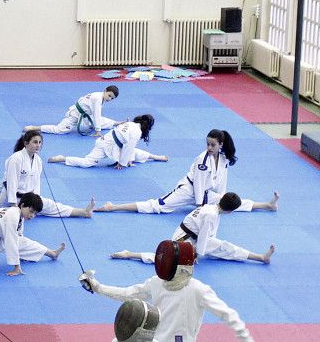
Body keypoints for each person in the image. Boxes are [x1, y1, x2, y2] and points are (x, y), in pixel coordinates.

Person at [80, 240, 254, 341]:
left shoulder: (198, 290)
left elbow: (228, 315)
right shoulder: (157, 283)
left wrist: (246, 339)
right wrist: (97, 286)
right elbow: (127, 294)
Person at [98, 129, 279, 213]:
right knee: (157, 206)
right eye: (207, 143)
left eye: (212, 145)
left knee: (232, 203)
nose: (209, 147)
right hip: (189, 190)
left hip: (206, 193)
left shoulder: (223, 158)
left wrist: (222, 197)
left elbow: (222, 182)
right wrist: (200, 207)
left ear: (220, 145)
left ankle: (267, 205)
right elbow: (199, 184)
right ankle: (113, 207)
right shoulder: (202, 159)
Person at [109, 193, 275, 265]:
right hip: (184, 240)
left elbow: (206, 236)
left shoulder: (213, 207)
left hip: (190, 237)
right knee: (166, 259)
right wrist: (195, 254)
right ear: (230, 211)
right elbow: (203, 238)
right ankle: (129, 254)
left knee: (225, 247)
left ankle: (260, 257)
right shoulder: (211, 214)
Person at [48, 114, 168, 168]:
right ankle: (62, 158)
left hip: (106, 140)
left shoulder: (131, 123)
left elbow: (128, 147)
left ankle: (158, 157)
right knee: (88, 163)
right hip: (110, 144)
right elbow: (128, 148)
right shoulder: (137, 132)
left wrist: (126, 160)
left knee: (135, 153)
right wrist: (123, 163)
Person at [25, 85, 120, 136]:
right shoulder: (97, 99)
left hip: (85, 115)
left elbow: (97, 116)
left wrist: (97, 127)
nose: (109, 99)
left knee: (100, 120)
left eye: (112, 98)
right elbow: (96, 114)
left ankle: (117, 123)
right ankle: (36, 128)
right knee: (59, 130)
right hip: (75, 115)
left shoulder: (99, 96)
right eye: (109, 95)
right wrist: (98, 131)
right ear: (105, 90)